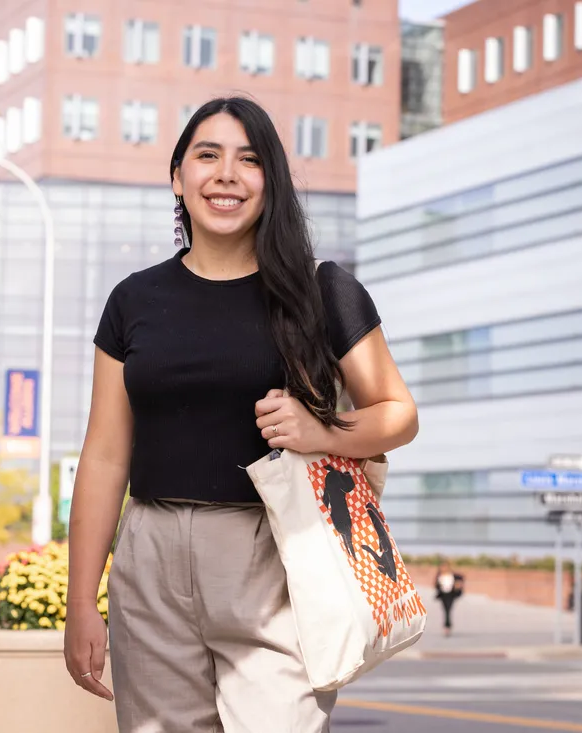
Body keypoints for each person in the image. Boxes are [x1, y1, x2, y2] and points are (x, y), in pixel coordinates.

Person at [61, 96, 420, 732]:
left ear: (270, 182)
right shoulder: (132, 301)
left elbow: (399, 414)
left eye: (249, 160)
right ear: (178, 177)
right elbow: (105, 454)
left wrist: (322, 428)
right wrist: (80, 600)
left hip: (275, 556)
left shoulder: (321, 290)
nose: (227, 174)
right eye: (208, 155)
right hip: (150, 556)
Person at [434, 560, 463, 636]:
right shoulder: (440, 576)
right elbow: (437, 586)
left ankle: (447, 626)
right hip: (443, 595)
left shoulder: (453, 576)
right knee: (445, 610)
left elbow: (460, 579)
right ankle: (447, 626)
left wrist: (458, 586)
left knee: (448, 610)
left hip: (451, 594)